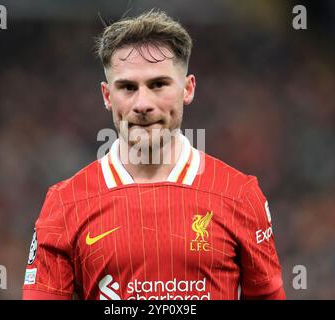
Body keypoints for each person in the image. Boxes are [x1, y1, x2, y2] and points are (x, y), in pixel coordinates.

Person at [22, 9, 285, 300]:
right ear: (108, 96)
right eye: (128, 87)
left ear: (187, 88)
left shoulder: (240, 196)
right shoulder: (65, 205)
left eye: (158, 84)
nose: (143, 104)